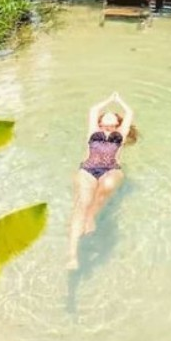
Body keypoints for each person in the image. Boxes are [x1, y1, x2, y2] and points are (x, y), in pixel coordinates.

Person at [67, 92, 136, 270]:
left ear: (116, 124)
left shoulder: (120, 133)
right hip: (88, 169)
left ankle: (91, 217)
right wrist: (108, 100)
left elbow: (129, 113)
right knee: (82, 203)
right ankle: (72, 255)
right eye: (105, 121)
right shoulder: (93, 131)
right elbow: (93, 110)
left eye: (112, 122)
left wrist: (119, 100)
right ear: (100, 123)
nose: (108, 126)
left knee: (106, 187)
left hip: (111, 169)